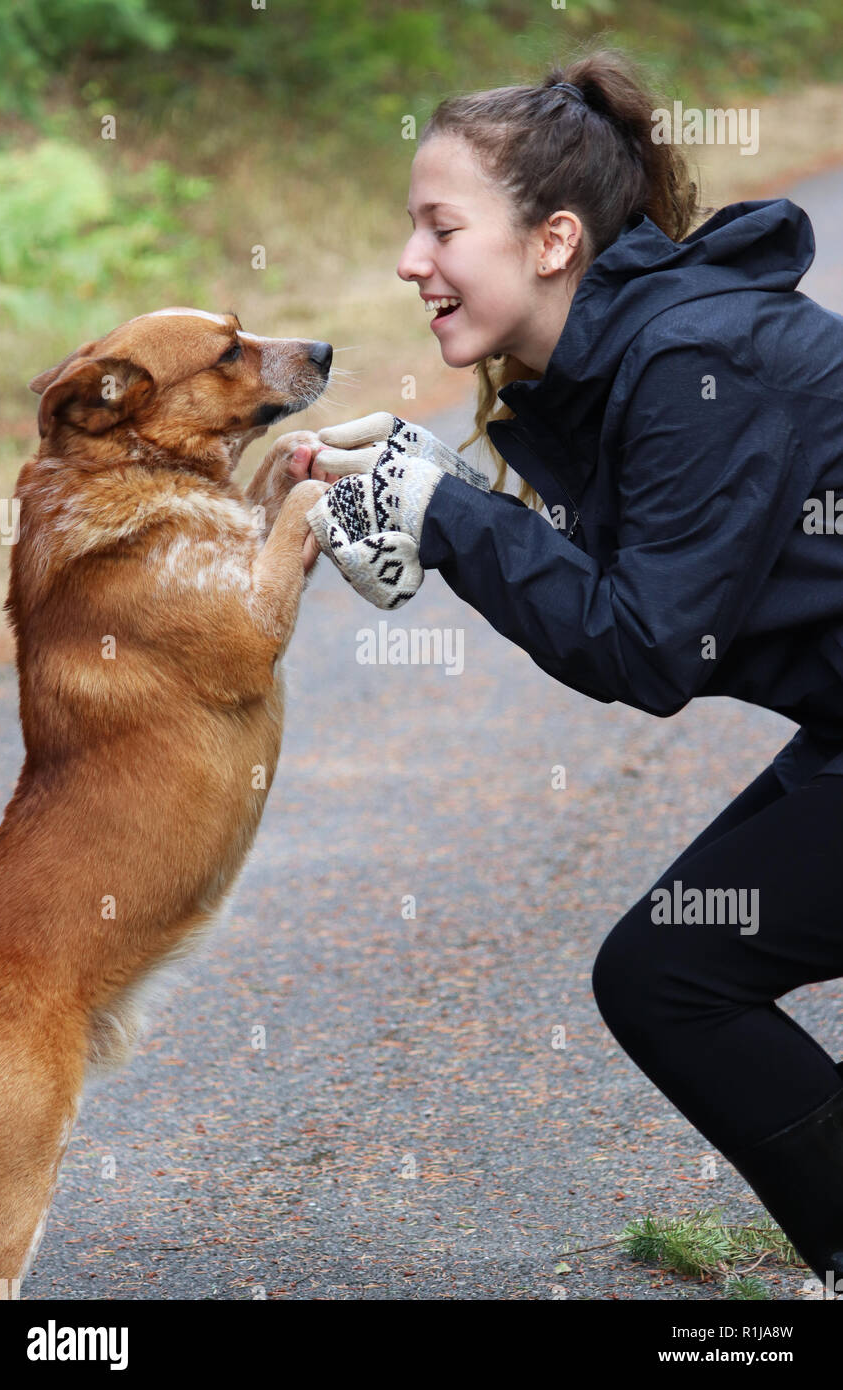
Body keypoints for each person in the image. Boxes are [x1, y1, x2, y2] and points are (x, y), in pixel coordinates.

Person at [287, 48, 843, 1289]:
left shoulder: (695, 361)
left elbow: (646, 644)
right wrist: (438, 483)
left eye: (439, 226)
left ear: (549, 241)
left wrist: (449, 517)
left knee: (676, 977)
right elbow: (625, 583)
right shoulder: (619, 363)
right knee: (670, 970)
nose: (405, 260)